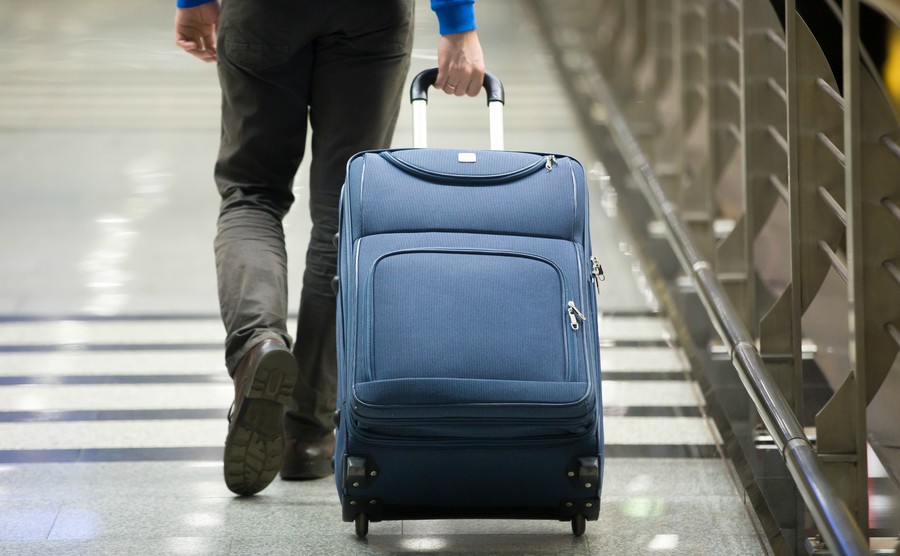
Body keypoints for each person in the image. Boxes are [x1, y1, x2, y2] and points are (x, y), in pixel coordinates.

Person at [174, 0, 485, 496]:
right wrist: (457, 21)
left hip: (262, 14)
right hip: (371, 16)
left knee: (251, 193)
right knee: (343, 211)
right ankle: (309, 434)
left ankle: (259, 344)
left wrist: (191, 2)